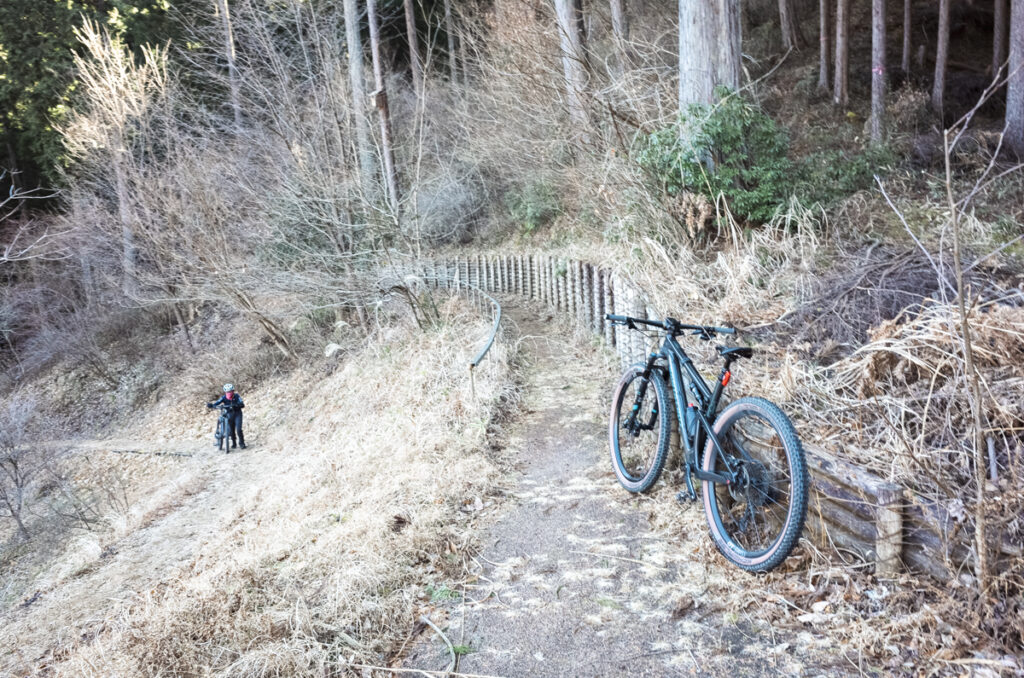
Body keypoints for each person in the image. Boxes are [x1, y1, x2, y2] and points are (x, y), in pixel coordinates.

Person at [207, 383, 246, 450]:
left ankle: (242, 443)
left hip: (237, 414)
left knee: (239, 429)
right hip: (229, 414)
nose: (229, 393)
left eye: (230, 391)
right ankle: (234, 443)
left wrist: (238, 404)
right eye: (228, 392)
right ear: (225, 392)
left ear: (233, 391)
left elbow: (242, 403)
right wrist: (211, 405)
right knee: (231, 430)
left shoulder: (236, 396)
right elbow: (217, 403)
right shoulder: (223, 398)